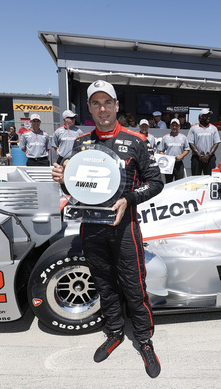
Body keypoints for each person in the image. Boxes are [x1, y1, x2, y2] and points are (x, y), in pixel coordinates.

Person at [51, 80, 163, 378]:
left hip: (125, 226)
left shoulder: (137, 140)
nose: (103, 109)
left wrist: (129, 199)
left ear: (116, 105)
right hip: (91, 226)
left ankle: (144, 340)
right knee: (103, 283)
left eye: (107, 102)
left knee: (134, 286)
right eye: (96, 103)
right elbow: (75, 190)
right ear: (89, 108)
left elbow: (156, 183)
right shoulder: (80, 143)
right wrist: (62, 179)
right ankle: (114, 331)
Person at [187, 108, 220, 175]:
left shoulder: (214, 128)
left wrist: (209, 155)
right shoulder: (193, 128)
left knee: (210, 178)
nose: (208, 117)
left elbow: (216, 142)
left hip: (210, 157)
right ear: (201, 117)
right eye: (206, 115)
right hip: (197, 157)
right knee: (195, 179)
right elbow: (190, 142)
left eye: (209, 116)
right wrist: (199, 155)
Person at [158, 118, 190, 183]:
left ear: (179, 127)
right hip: (168, 164)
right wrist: (163, 156)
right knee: (168, 182)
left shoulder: (183, 137)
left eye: (176, 125)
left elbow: (187, 149)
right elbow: (161, 150)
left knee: (179, 183)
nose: (174, 127)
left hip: (179, 163)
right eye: (173, 125)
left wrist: (181, 155)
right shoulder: (165, 137)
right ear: (170, 126)